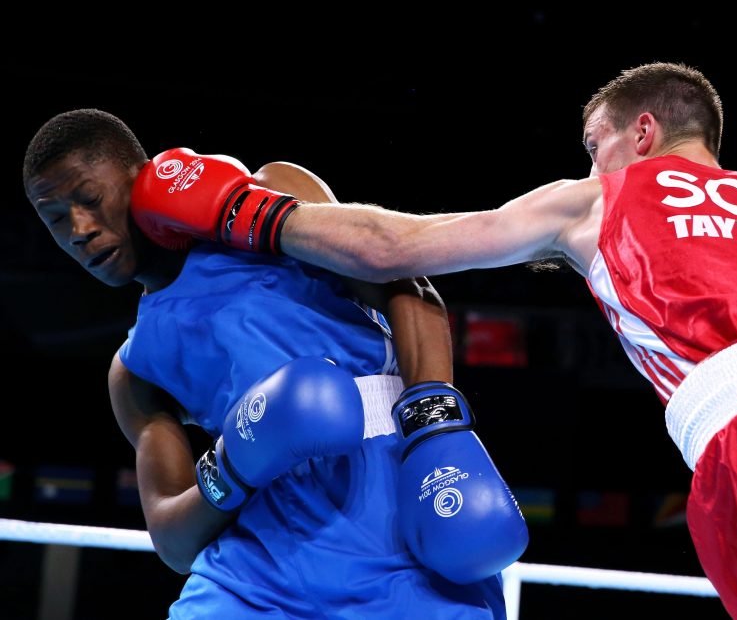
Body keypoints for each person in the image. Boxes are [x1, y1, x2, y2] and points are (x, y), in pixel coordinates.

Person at [131, 62, 737, 618]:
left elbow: (395, 251)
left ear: (640, 134)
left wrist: (244, 209)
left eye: (595, 143)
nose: (592, 159)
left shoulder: (602, 196)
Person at [22, 109, 527, 619]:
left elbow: (408, 285)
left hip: (401, 525)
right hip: (255, 578)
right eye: (56, 218)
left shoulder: (269, 192)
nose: (80, 230)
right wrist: (232, 465)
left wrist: (435, 428)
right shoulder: (134, 371)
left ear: (143, 174)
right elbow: (173, 542)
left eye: (89, 199)